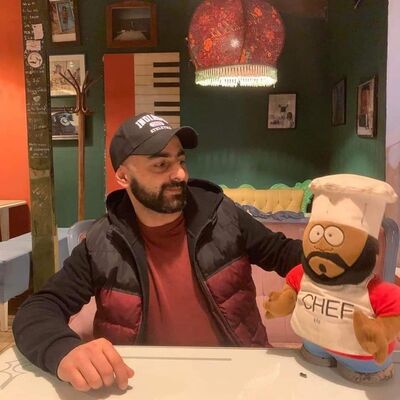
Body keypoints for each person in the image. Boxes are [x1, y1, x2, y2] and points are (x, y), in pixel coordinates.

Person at [13, 113, 302, 392]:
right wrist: (63, 350)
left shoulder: (222, 215)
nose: (180, 174)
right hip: (142, 385)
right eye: (161, 164)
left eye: (181, 161)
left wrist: (328, 262)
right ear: (123, 176)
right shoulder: (101, 242)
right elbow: (40, 307)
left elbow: (287, 254)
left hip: (241, 380)